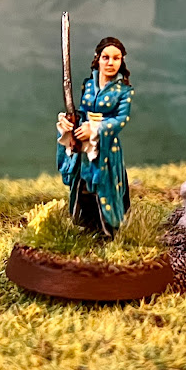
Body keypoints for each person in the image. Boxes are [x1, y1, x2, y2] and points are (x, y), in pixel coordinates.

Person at [57, 37, 135, 237]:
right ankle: (88, 224)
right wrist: (70, 121)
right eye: (106, 57)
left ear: (122, 61)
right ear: (98, 58)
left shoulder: (124, 91)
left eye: (116, 58)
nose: (110, 63)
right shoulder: (89, 85)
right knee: (83, 184)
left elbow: (120, 120)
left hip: (106, 148)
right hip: (85, 146)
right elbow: (82, 111)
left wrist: (95, 129)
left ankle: (108, 228)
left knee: (104, 185)